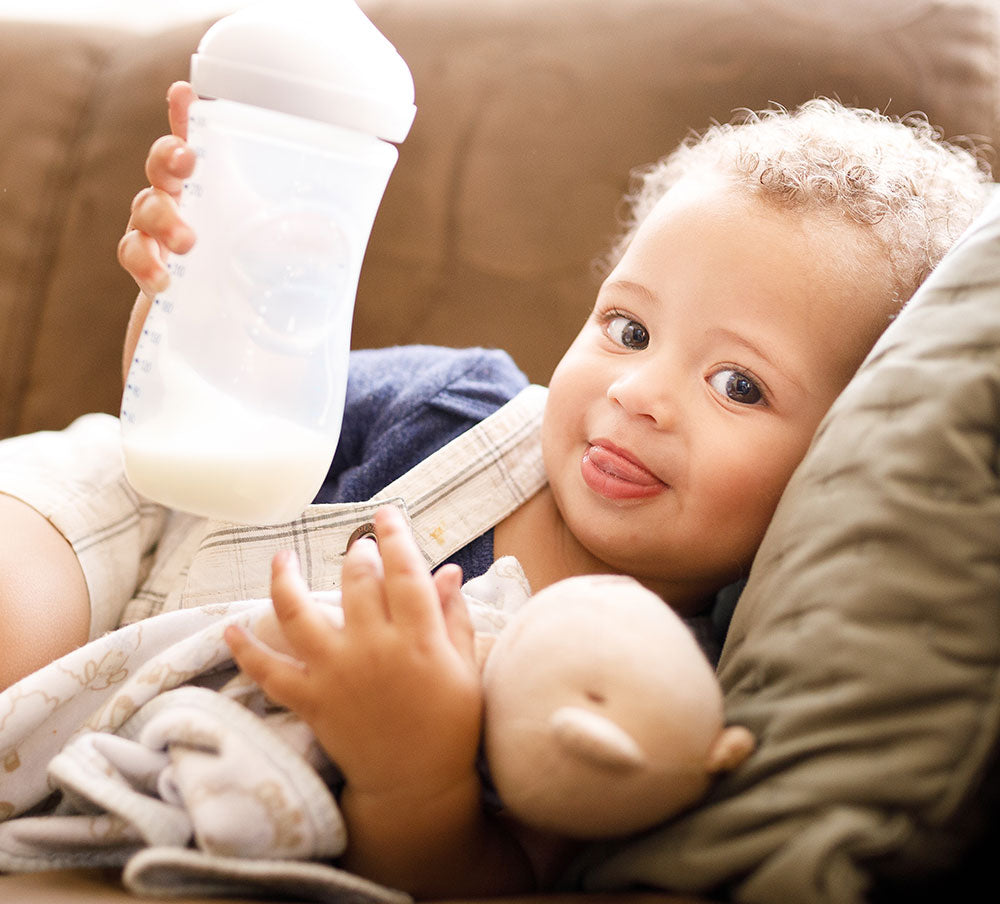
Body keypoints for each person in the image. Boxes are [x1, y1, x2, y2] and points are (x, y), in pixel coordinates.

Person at [0, 84, 990, 894]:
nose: (638, 393)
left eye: (739, 385)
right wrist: (195, 299)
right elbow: (190, 424)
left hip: (160, 747)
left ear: (829, 459)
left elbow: (486, 884)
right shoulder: (457, 404)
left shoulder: (653, 696)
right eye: (628, 330)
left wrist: (415, 776)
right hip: (119, 528)